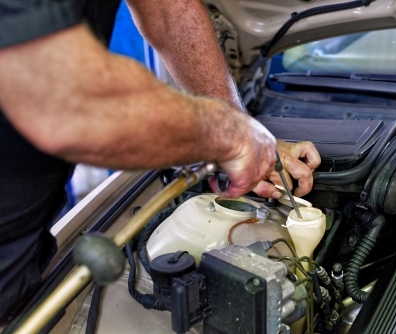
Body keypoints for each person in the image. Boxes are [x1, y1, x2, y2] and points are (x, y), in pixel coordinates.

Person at [0, 0, 321, 322]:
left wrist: (239, 123)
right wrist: (230, 134)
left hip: (24, 235)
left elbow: (171, 10)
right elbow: (67, 101)